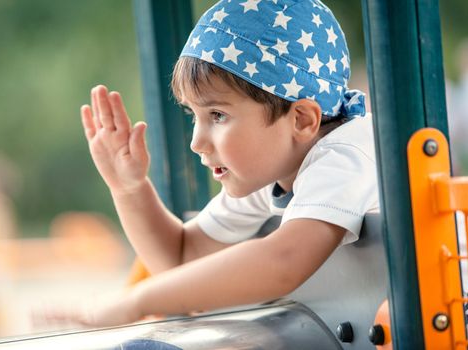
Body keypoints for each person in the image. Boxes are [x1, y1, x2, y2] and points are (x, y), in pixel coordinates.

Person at [47, 0, 378, 326]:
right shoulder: (273, 170)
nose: (195, 142)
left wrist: (138, 300)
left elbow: (284, 261)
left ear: (302, 120)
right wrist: (129, 188)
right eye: (194, 115)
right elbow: (181, 257)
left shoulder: (347, 155)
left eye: (218, 115)